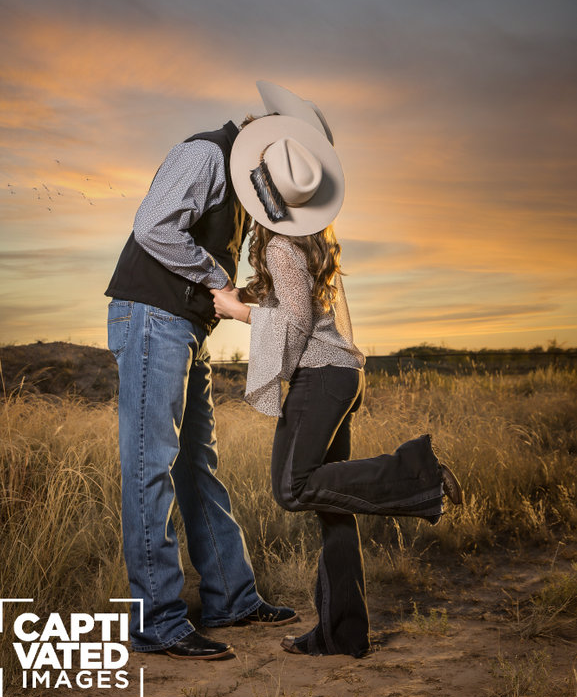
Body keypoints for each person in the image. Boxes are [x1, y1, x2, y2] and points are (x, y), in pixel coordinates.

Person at [213, 97, 463, 658]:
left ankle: (416, 472)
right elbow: (297, 296)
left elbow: (297, 319)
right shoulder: (312, 236)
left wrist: (236, 311)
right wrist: (247, 295)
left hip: (323, 378)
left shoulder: (279, 243)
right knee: (335, 507)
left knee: (291, 487)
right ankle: (342, 633)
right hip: (345, 375)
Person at [105, 100, 299, 661]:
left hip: (181, 324)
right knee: (150, 467)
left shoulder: (238, 179)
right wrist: (221, 280)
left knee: (195, 464)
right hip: (151, 318)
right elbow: (153, 227)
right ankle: (159, 623)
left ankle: (230, 599)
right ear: (258, 143)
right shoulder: (205, 154)